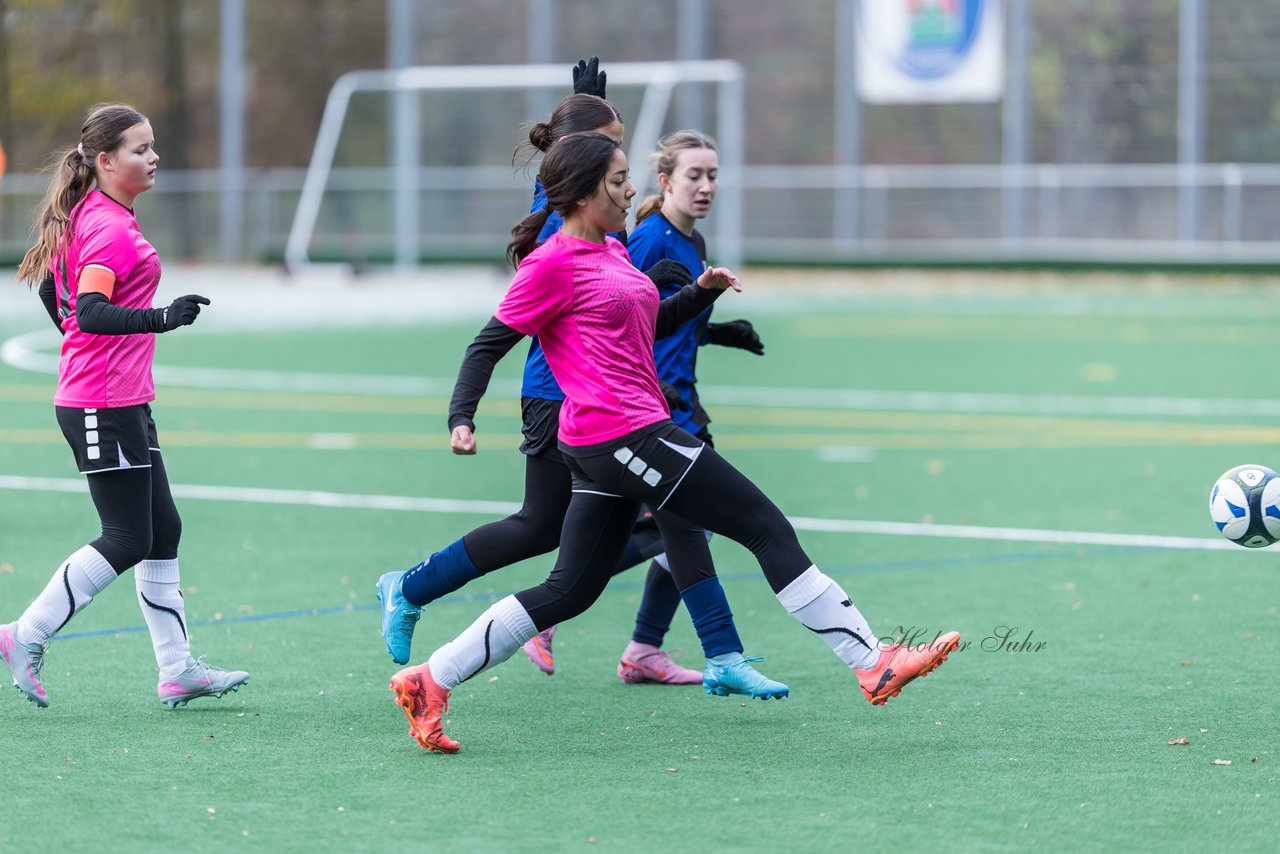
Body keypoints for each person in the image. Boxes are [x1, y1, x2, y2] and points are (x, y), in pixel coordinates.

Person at [388, 132, 961, 753]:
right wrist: (461, 417)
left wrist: (699, 295)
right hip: (623, 432)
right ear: (581, 195)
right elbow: (488, 343)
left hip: (615, 436)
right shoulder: (550, 264)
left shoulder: (611, 249)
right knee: (765, 526)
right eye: (616, 181)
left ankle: (430, 679)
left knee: (570, 590)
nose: (630, 190)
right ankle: (872, 662)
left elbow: (645, 325)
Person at [377, 66, 786, 696]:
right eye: (614, 155)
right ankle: (414, 590)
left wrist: (706, 316)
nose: (625, 178)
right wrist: (463, 413)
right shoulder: (568, 228)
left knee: (647, 527)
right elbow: (507, 335)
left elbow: (634, 315)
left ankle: (698, 651)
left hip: (616, 403)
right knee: (553, 529)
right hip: (562, 396)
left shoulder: (616, 234)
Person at [0, 103, 249, 709]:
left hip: (122, 399)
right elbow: (87, 311)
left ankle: (178, 669)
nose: (153, 156)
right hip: (99, 403)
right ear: (106, 161)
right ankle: (22, 635)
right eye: (140, 149)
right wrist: (161, 318)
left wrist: (77, 329)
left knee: (163, 529)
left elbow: (51, 286)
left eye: (153, 145)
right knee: (127, 535)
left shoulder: (99, 214)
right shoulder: (110, 227)